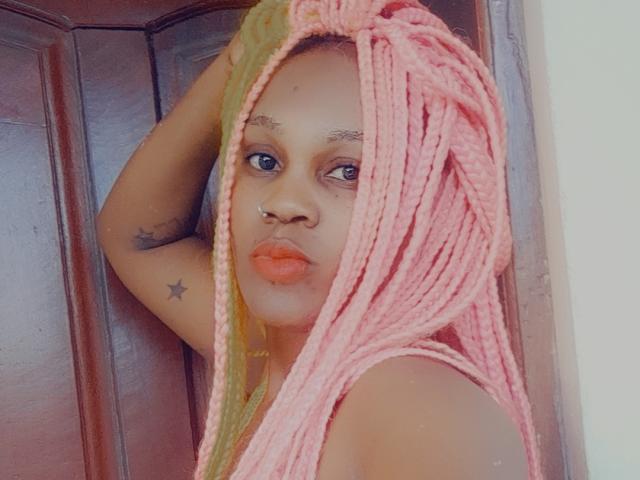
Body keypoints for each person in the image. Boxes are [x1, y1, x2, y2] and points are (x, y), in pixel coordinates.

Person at [97, 0, 542, 478]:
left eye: (347, 171)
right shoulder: (276, 359)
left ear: (428, 209)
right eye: (264, 160)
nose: (284, 202)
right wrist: (241, 58)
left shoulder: (422, 413)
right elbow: (139, 240)